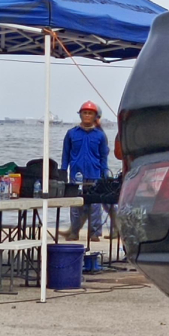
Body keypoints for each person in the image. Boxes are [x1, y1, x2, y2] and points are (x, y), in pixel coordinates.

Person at [61, 101, 110, 240]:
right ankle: (74, 232)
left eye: (90, 113)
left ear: (95, 116)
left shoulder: (100, 135)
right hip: (76, 175)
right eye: (85, 113)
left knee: (95, 205)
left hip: (94, 174)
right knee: (75, 205)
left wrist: (104, 174)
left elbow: (103, 156)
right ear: (80, 115)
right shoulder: (71, 134)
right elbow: (65, 154)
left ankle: (94, 233)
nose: (87, 115)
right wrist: (63, 172)